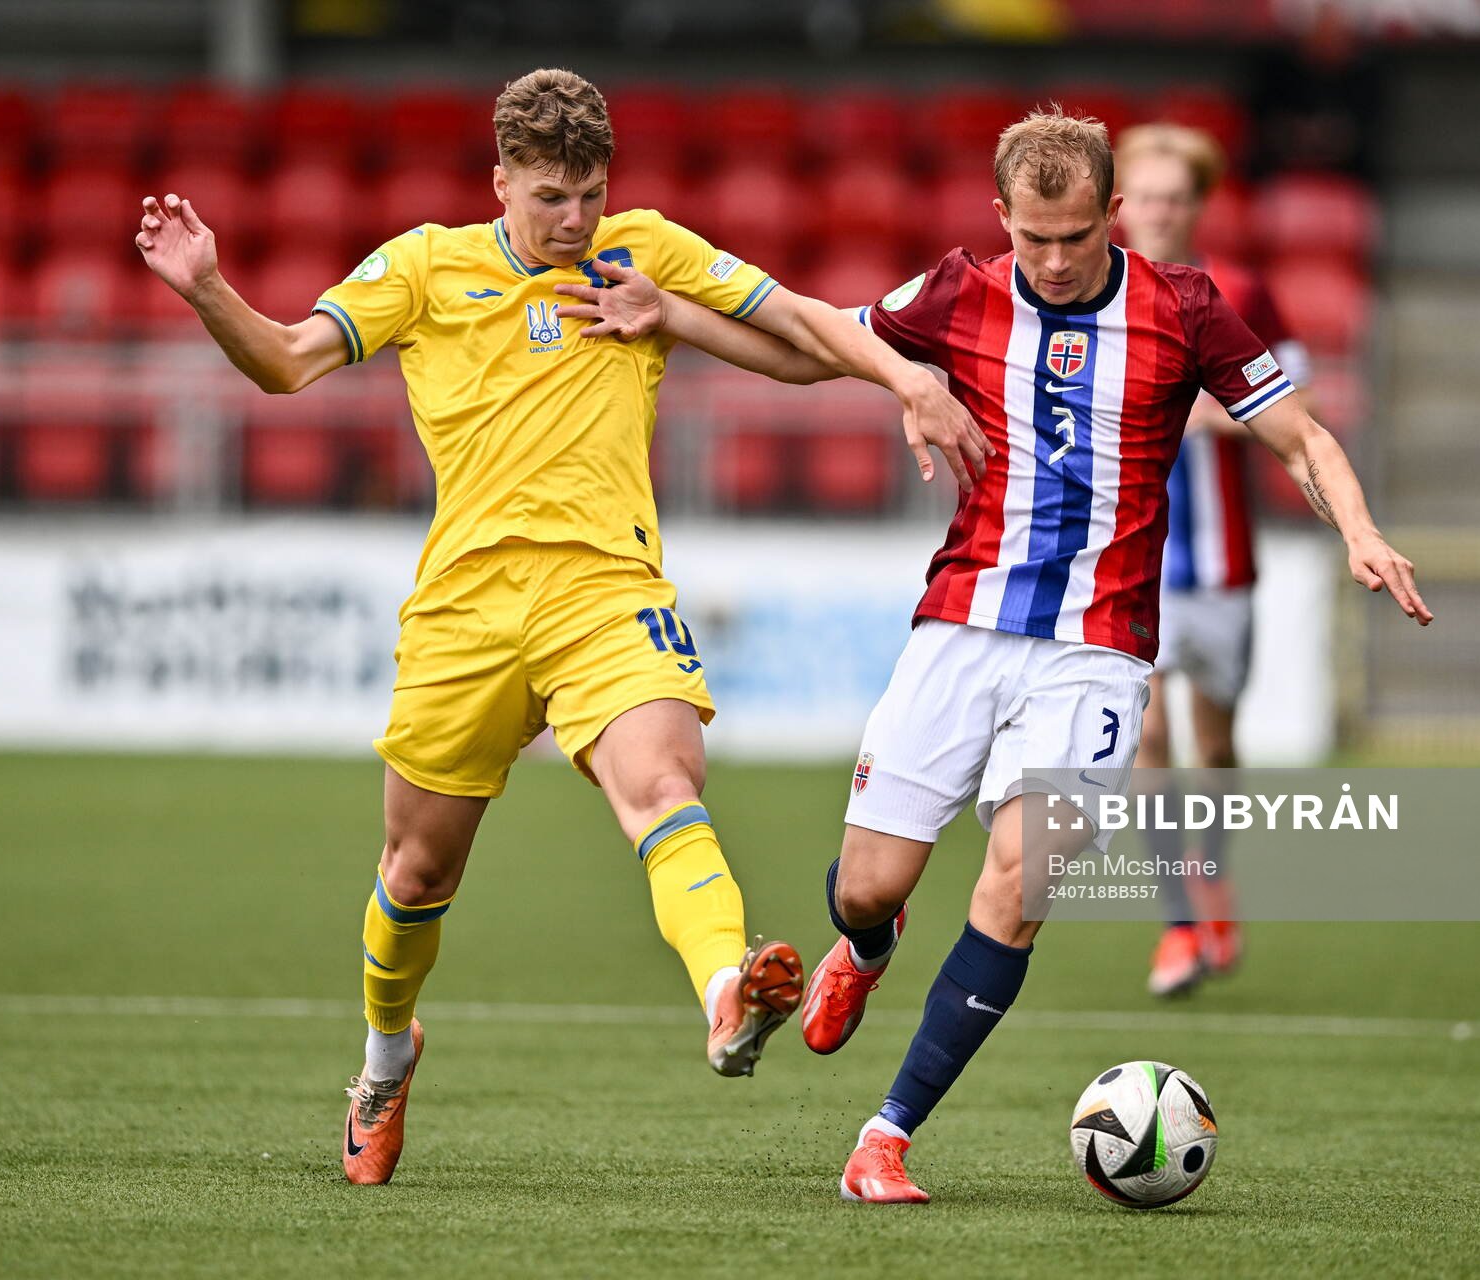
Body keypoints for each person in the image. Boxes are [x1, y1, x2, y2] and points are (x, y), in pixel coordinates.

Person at [133, 67, 988, 1186]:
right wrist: (207, 289)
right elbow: (288, 362)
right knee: (415, 871)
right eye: (550, 198)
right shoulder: (426, 265)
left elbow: (798, 321)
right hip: (466, 611)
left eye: (589, 193)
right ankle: (386, 1059)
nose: (575, 220)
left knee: (664, 782)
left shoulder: (642, 250)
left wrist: (905, 382)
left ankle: (728, 988)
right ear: (502, 182)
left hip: (605, 589)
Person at [786, 108, 1427, 1204]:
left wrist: (1358, 529)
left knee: (1019, 877)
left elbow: (1303, 434)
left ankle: (885, 1133)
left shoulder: (1184, 308)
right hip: (962, 624)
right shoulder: (957, 288)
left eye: (1075, 237)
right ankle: (868, 939)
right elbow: (806, 336)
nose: (1052, 260)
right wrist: (677, 315)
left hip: (1100, 649)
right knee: (867, 883)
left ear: (1112, 215)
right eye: (1031, 238)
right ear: (1001, 220)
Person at [1112, 122, 1313, 997]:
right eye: (1145, 196)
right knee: (1148, 736)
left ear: (1196, 205)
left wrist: (1207, 415)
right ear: (1122, 205)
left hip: (1223, 564)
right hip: (1133, 564)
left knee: (1216, 742)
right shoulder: (1097, 291)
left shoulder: (1243, 294)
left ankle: (1213, 884)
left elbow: (1291, 409)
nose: (1158, 211)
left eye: (1173, 197)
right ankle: (1180, 923)